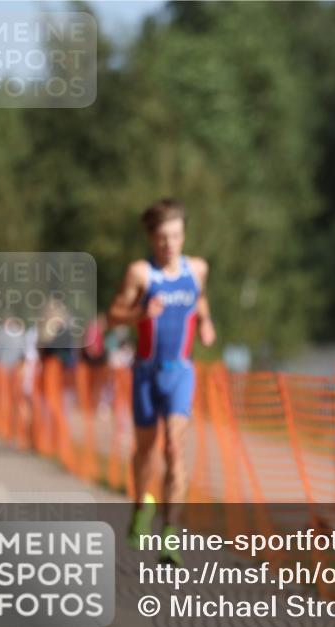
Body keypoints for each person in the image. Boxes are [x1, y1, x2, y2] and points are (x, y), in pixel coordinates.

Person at [108, 198, 216, 565]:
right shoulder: (141, 273)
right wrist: (140, 313)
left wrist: (206, 322)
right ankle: (142, 506)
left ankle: (171, 534)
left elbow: (200, 299)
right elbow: (113, 314)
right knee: (145, 452)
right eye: (163, 237)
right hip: (145, 373)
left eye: (176, 236)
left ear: (184, 235)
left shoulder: (197, 269)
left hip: (180, 372)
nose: (170, 244)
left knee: (173, 447)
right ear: (152, 238)